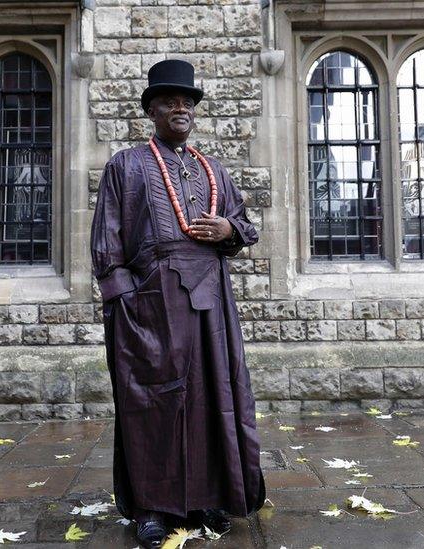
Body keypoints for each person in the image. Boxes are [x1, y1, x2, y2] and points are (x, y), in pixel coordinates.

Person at [90, 59, 266, 548]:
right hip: (152, 303)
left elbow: (246, 227)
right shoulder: (125, 165)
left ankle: (207, 496)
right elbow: (107, 242)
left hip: (211, 299)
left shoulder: (213, 170)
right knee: (153, 400)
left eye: (186, 101)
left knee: (215, 396)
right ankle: (152, 507)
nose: (180, 107)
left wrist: (229, 230)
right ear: (151, 110)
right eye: (169, 100)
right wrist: (125, 307)